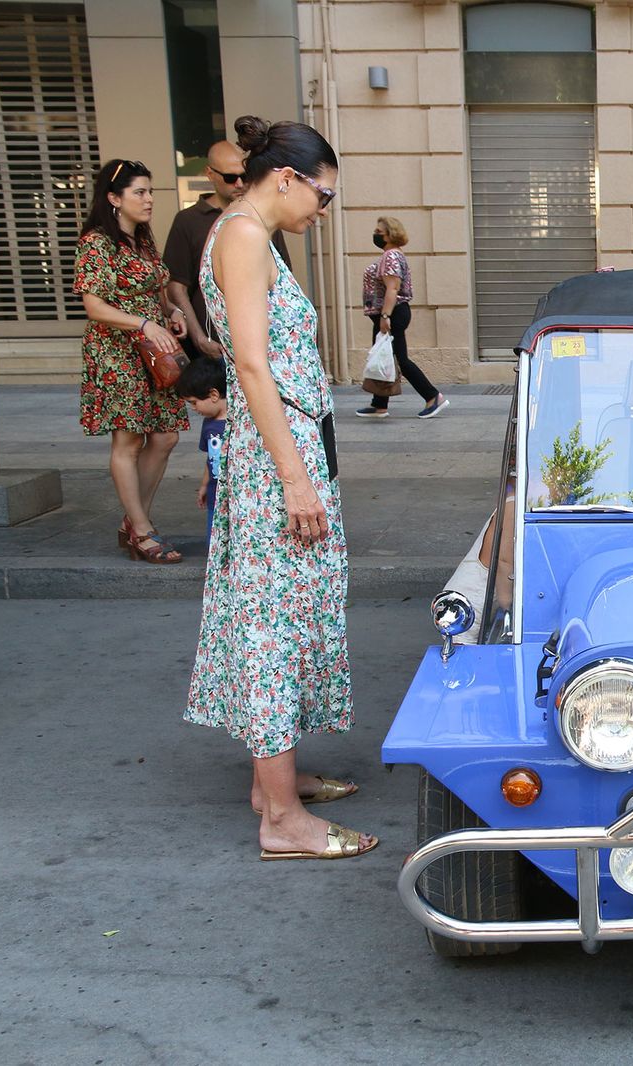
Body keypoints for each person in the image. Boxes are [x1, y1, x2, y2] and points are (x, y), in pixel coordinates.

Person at [186, 114, 375, 861]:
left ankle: (275, 785)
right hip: (278, 458)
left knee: (284, 614)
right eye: (323, 196)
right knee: (274, 624)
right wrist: (293, 478)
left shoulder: (252, 236)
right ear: (287, 178)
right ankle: (283, 819)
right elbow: (252, 366)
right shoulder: (241, 236)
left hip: (280, 449)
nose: (323, 211)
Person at [75, 159, 190, 564]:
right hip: (116, 352)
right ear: (114, 198)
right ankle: (141, 529)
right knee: (128, 440)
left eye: (150, 191)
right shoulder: (96, 243)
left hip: (154, 352)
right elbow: (94, 307)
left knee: (165, 436)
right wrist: (143, 323)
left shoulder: (142, 239)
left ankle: (133, 519)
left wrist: (171, 311)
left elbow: (157, 288)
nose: (148, 199)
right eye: (139, 192)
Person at [164, 140, 292, 361]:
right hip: (213, 347)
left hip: (263, 342)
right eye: (230, 178)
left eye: (245, 176)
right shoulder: (188, 221)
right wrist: (199, 338)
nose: (239, 183)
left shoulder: (261, 217)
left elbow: (284, 279)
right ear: (210, 174)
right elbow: (177, 287)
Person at [354, 216, 446, 419]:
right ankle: (379, 404)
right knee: (383, 356)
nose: (375, 235)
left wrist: (385, 315)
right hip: (389, 313)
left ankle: (432, 396)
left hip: (392, 313)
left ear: (391, 235)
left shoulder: (391, 256)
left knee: (400, 360)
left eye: (379, 232)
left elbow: (392, 288)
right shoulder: (392, 255)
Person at [175, 357, 228, 541]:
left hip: (236, 495)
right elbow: (210, 459)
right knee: (213, 540)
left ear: (213, 395)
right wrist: (205, 485)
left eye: (194, 402)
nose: (194, 408)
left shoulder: (237, 423)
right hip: (215, 495)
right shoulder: (209, 424)